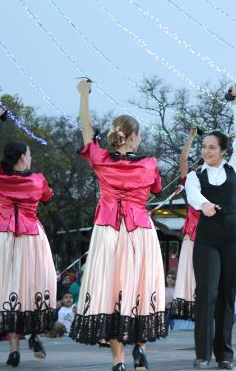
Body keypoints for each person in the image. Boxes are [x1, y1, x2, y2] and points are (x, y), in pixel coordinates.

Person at [71, 79, 166, 371]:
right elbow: (157, 190)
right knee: (140, 286)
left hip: (109, 230)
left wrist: (84, 96)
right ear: (133, 137)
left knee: (112, 290)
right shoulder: (148, 164)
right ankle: (140, 347)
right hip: (139, 231)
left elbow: (87, 133)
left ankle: (118, 360)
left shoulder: (101, 160)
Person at [0, 121, 57, 367]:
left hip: (3, 238)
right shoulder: (37, 180)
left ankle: (14, 349)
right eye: (29, 153)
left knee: (8, 289)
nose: (30, 157)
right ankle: (35, 334)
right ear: (21, 157)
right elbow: (49, 198)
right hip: (31, 238)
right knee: (35, 285)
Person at [185, 85, 236, 370]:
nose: (206, 151)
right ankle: (202, 353)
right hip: (208, 238)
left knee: (227, 295)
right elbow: (192, 194)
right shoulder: (195, 174)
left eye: (212, 147)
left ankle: (224, 354)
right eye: (204, 147)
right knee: (207, 292)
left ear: (223, 150)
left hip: (235, 238)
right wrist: (203, 205)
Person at [171, 127, 201, 322]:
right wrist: (190, 138)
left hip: (210, 235)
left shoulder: (218, 181)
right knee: (191, 274)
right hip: (193, 235)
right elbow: (182, 161)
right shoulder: (191, 180)